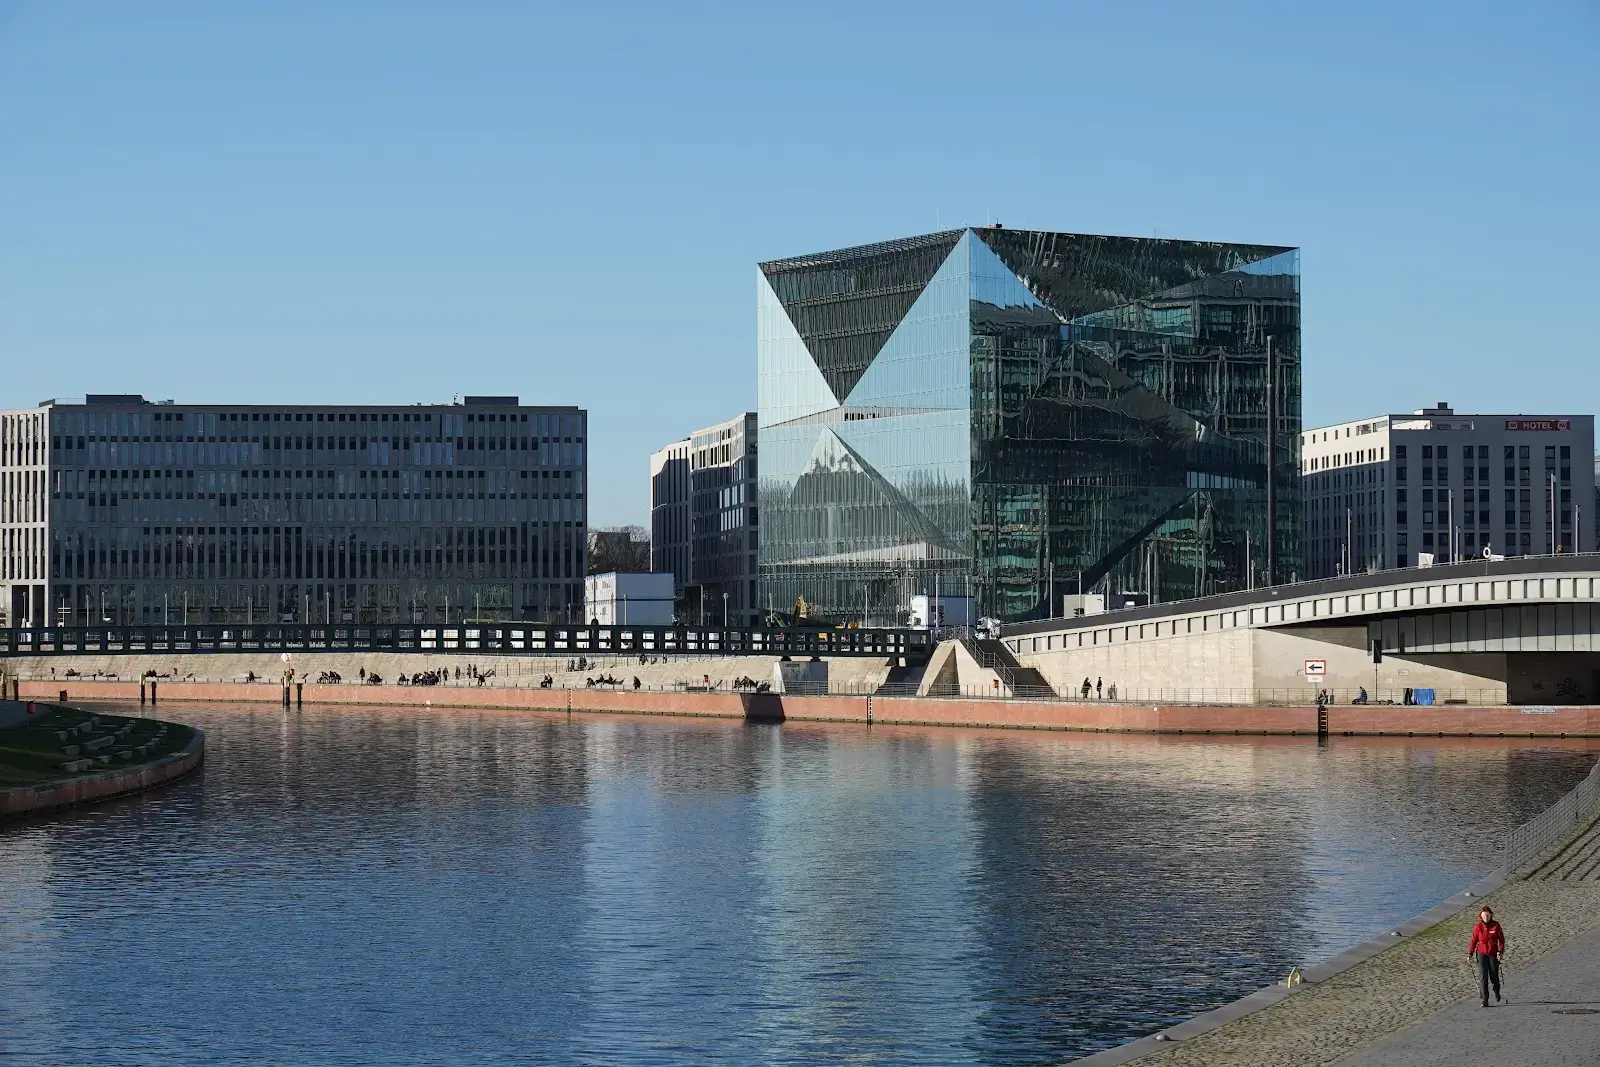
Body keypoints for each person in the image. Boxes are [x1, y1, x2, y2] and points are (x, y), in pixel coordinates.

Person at [1467, 906, 1506, 1006]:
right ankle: (1485, 999)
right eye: (1484, 916)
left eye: (1487, 915)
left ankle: (1496, 991)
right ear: (1481, 916)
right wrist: (1470, 953)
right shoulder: (1478, 927)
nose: (1486, 917)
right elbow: (1473, 941)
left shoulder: (1496, 925)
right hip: (1481, 954)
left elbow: (1501, 940)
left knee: (1494, 975)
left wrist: (1500, 951)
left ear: (1491, 915)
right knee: (1483, 976)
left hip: (1493, 953)